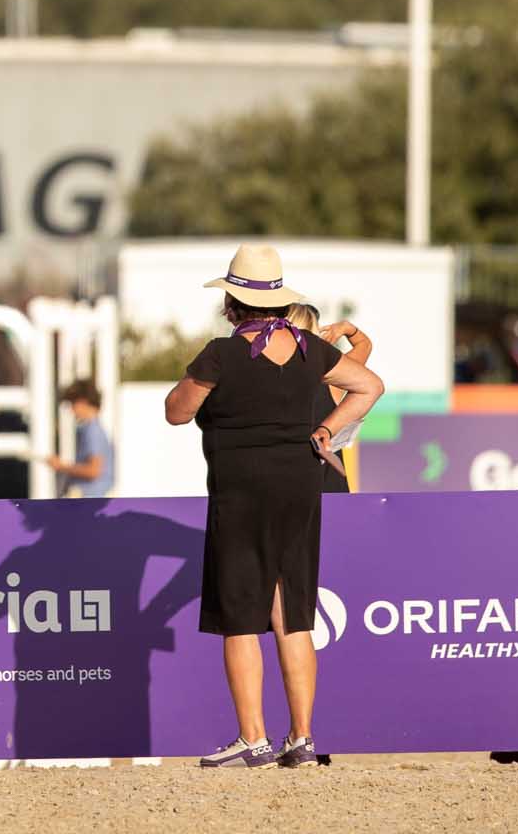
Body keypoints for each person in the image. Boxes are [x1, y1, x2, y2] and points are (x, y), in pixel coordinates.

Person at [164, 245, 382, 769]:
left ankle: (253, 738)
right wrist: (326, 430)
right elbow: (369, 385)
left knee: (241, 617)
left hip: (241, 490)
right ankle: (302, 738)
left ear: (231, 305)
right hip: (300, 484)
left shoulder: (221, 354)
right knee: (293, 615)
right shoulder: (310, 348)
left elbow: (176, 411)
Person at [286, 306, 372, 493]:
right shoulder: (331, 379)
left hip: (286, 484)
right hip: (328, 483)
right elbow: (364, 346)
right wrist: (346, 328)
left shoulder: (267, 377)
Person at [45, 378, 116, 498]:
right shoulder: (93, 429)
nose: (72, 410)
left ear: (83, 401)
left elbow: (93, 470)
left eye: (73, 403)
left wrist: (61, 466)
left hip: (90, 501)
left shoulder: (92, 431)